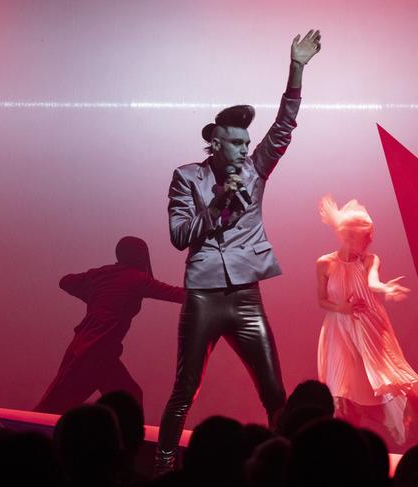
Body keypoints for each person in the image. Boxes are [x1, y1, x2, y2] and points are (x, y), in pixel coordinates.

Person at [155, 30, 322, 472]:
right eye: (236, 143)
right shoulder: (188, 176)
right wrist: (215, 205)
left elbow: (284, 125)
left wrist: (297, 69)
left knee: (273, 391)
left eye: (248, 144)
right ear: (215, 142)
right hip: (204, 295)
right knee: (185, 388)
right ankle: (164, 462)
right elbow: (177, 235)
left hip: (246, 295)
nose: (245, 150)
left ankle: (288, 465)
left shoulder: (255, 171)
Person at [35, 236, 185, 414]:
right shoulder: (136, 279)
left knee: (126, 397)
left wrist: (96, 294)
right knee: (53, 409)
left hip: (84, 348)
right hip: (97, 351)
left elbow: (66, 281)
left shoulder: (102, 275)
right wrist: (213, 295)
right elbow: (176, 294)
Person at [316, 195, 418, 445]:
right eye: (362, 236)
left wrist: (385, 289)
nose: (366, 242)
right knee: (345, 387)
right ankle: (347, 446)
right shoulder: (325, 263)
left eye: (367, 237)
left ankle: (411, 423)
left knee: (392, 377)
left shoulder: (370, 259)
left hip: (370, 326)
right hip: (340, 328)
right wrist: (342, 307)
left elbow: (373, 282)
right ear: (346, 235)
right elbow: (321, 300)